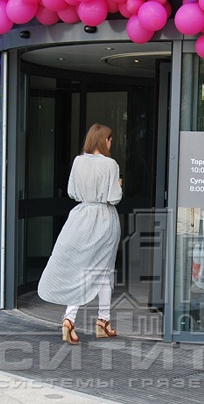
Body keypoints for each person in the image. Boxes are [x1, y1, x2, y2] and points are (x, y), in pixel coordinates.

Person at [38, 123, 123, 344]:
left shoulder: (78, 161)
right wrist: (119, 185)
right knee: (103, 270)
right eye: (110, 139)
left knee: (81, 268)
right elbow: (114, 198)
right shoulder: (111, 164)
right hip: (104, 218)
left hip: (81, 216)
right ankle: (103, 321)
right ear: (104, 140)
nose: (111, 143)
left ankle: (70, 318)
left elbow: (72, 192)